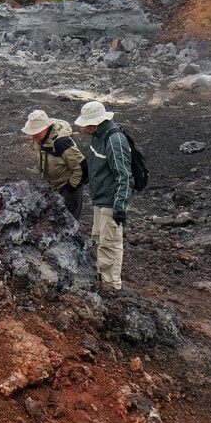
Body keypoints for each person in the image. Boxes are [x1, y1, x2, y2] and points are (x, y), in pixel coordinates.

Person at [74, 100, 135, 291]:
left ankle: (111, 286)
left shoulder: (114, 140)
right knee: (99, 239)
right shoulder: (98, 136)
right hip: (100, 198)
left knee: (109, 243)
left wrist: (119, 206)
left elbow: (124, 174)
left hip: (110, 200)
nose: (84, 127)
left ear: (96, 121)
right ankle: (102, 279)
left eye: (86, 123)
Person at [21, 109, 87, 220]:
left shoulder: (62, 143)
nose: (33, 137)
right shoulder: (40, 139)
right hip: (53, 187)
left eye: (36, 133)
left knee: (69, 222)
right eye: (31, 133)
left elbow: (82, 167)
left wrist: (70, 188)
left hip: (68, 188)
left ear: (46, 128)